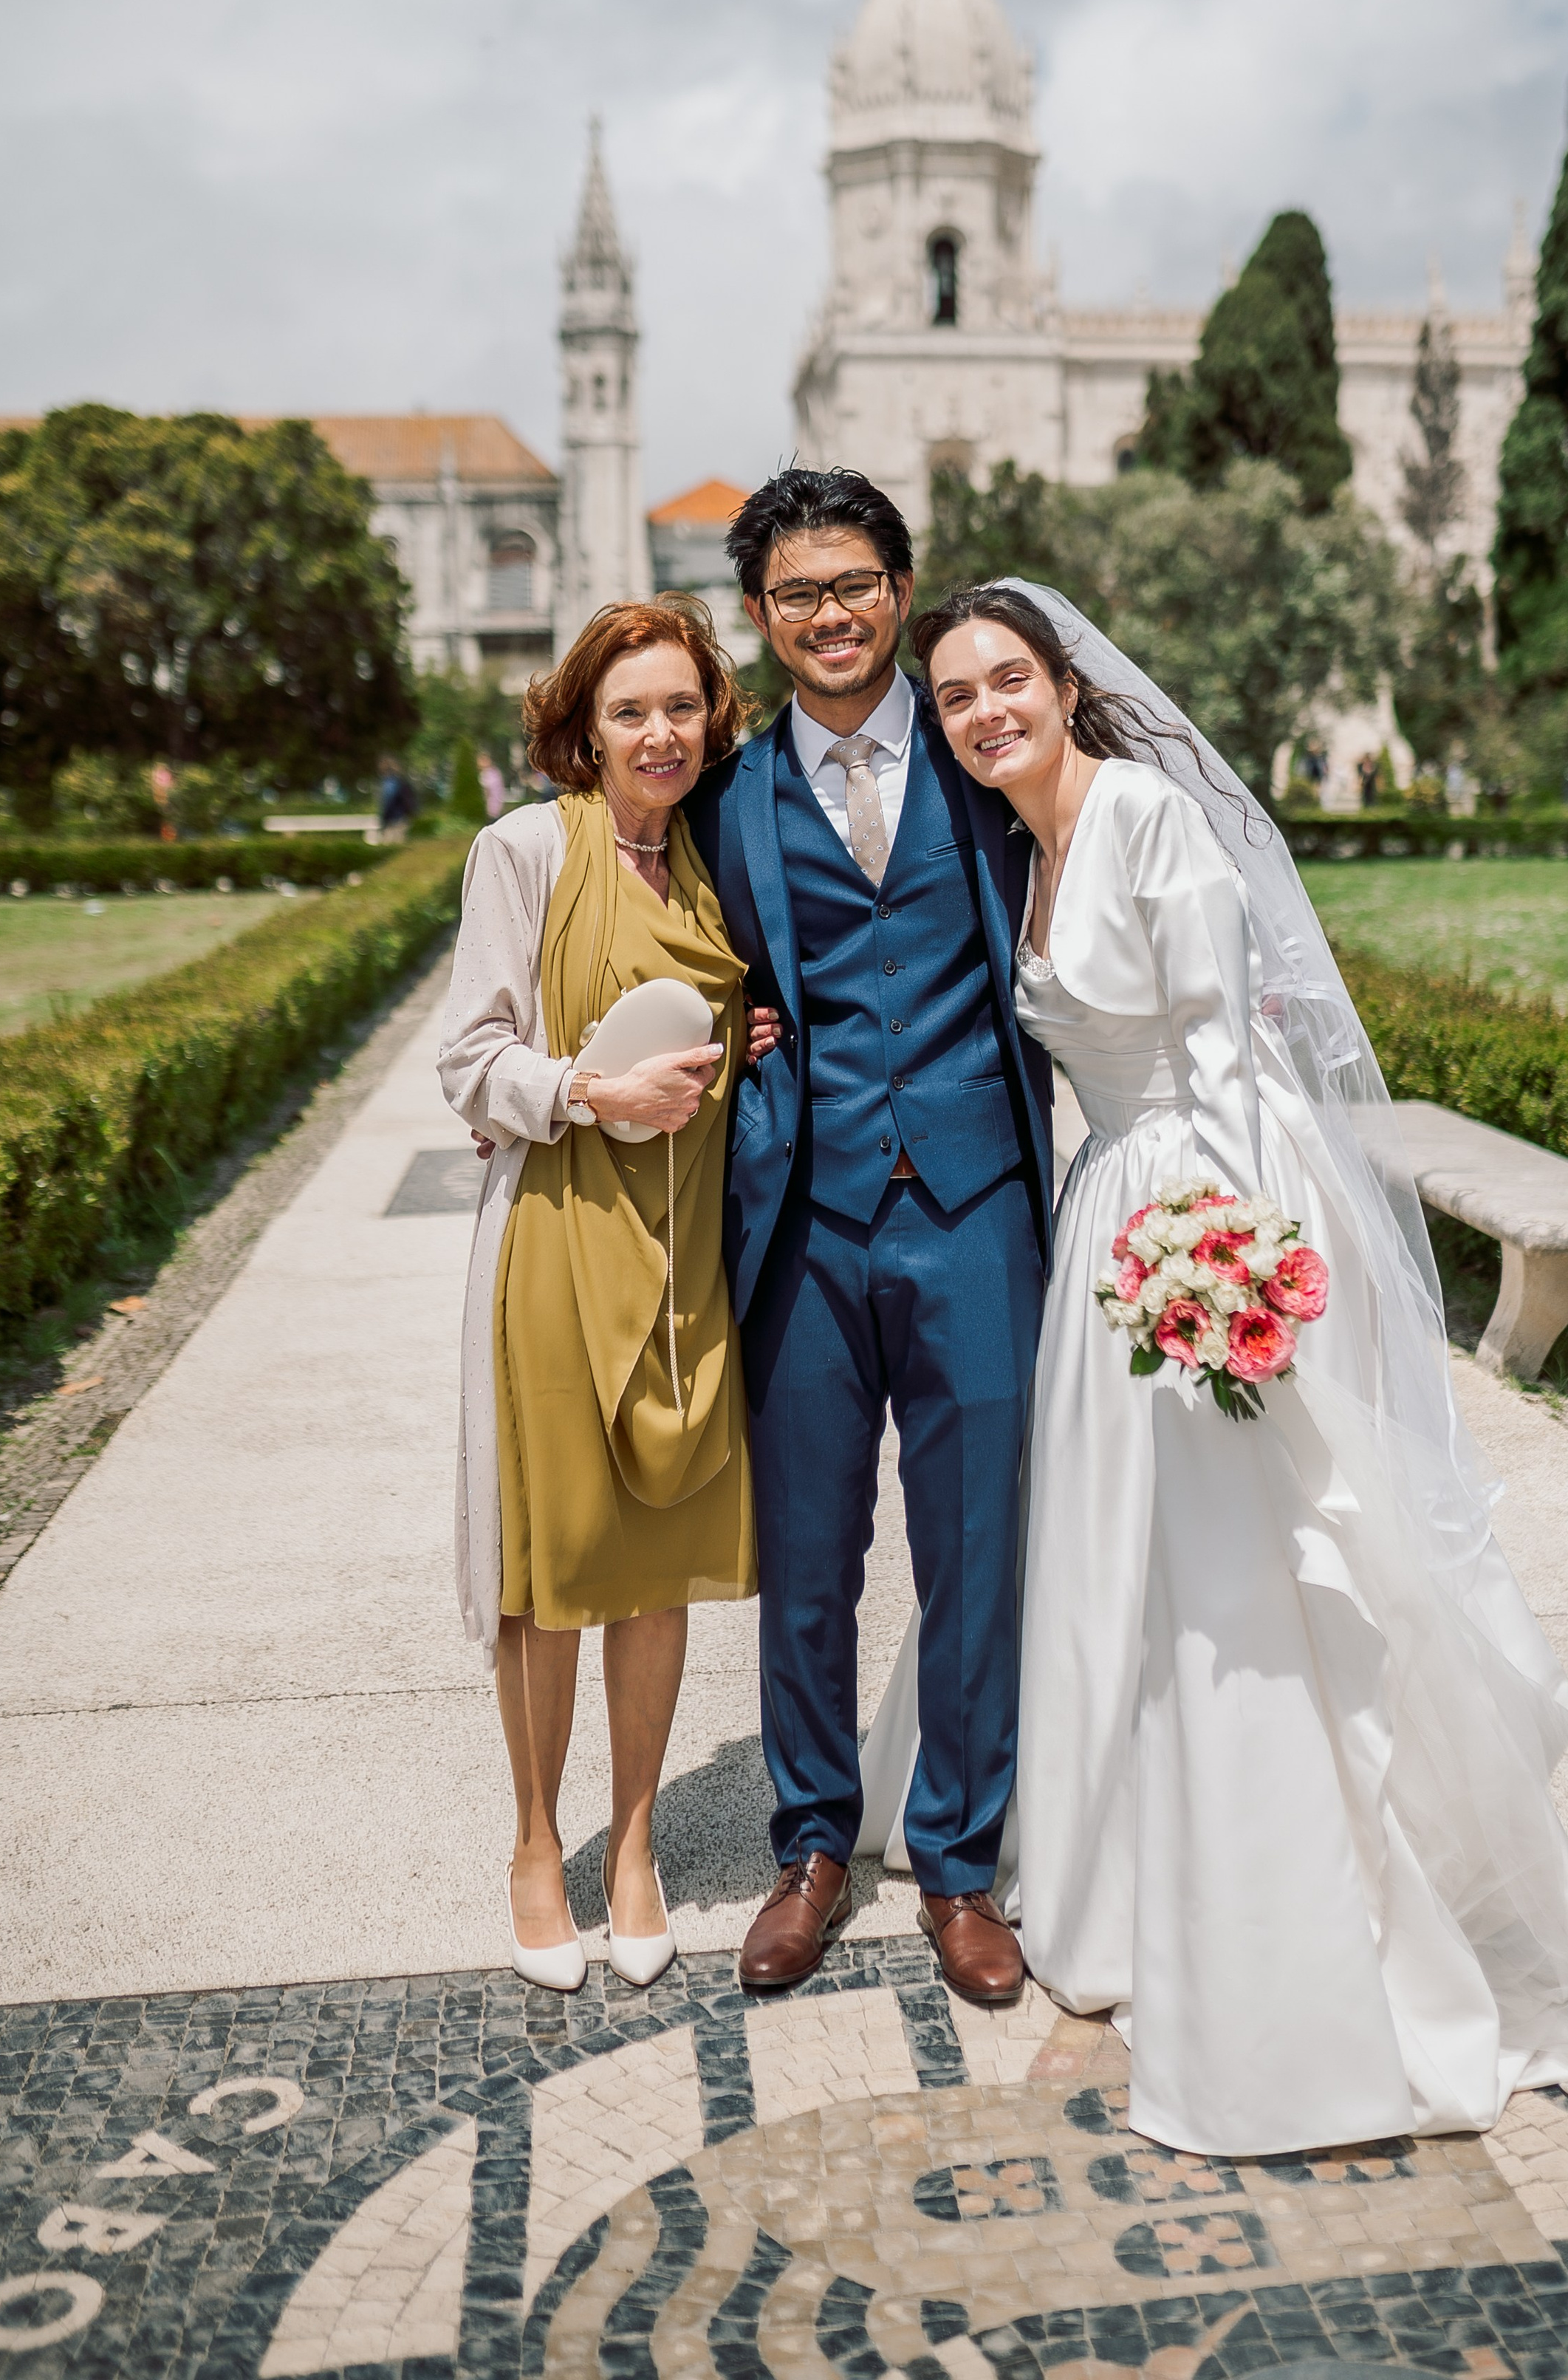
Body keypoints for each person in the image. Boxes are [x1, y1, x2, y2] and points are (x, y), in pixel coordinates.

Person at [883, 579, 1568, 2155]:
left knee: (1235, 1576)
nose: (984, 711)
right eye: (957, 694)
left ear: (1061, 682)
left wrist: (1231, 1276)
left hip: (1197, 1221)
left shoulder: (1148, 822)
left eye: (1006, 680)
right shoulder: (1020, 844)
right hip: (1105, 1216)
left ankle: (1278, 1887)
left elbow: (1228, 1064)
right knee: (1118, 1562)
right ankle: (1116, 1866)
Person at [684, 469, 1052, 2008]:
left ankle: (957, 1868)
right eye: (794, 595)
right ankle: (812, 1848)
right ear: (759, 620)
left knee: (976, 1552)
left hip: (976, 1208)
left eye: (851, 586)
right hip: (806, 1226)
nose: (827, 616)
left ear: (898, 591)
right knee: (810, 1560)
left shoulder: (996, 757)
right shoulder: (725, 799)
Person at [439, 599, 777, 1995]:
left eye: (683, 708)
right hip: (558, 1245)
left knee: (656, 1567)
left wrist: (741, 1042)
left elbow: (699, 1047)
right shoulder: (522, 851)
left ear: (713, 725)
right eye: (630, 709)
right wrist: (585, 1088)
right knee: (552, 1571)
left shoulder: (709, 871)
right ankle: (536, 1843)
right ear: (581, 727)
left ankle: (633, 1844)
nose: (659, 733)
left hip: (686, 1249)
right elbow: (470, 1063)